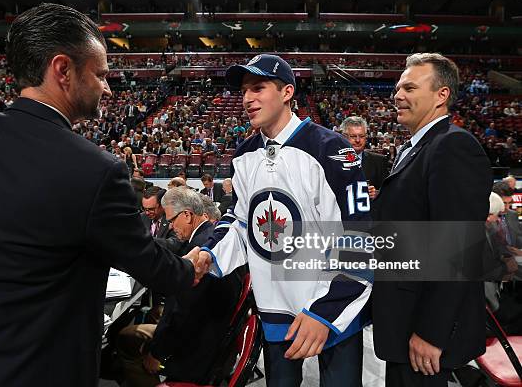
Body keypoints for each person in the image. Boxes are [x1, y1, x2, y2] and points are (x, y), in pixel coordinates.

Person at [0, 3, 197, 386]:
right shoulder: (95, 169)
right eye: (101, 74)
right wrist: (190, 267)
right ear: (63, 69)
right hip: (24, 371)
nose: (107, 87)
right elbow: (151, 265)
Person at [190, 54, 372, 387]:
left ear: (287, 92)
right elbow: (241, 221)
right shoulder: (244, 155)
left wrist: (327, 311)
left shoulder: (331, 149)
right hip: (275, 312)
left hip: (331, 310)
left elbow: (359, 236)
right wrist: (209, 253)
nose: (247, 99)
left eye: (258, 87)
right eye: (244, 91)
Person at [371, 53, 492, 386]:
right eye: (397, 87)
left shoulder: (452, 146)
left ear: (442, 96)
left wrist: (431, 332)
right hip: (403, 323)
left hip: (422, 336)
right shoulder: (415, 148)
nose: (397, 95)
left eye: (409, 87)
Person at [118, 188, 242, 386]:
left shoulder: (201, 251)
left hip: (196, 350)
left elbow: (182, 312)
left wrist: (157, 353)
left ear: (187, 215)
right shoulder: (206, 238)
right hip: (207, 333)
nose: (170, 226)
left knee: (128, 341)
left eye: (172, 220)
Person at [341, 116, 389, 200]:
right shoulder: (332, 162)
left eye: (362, 136)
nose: (358, 140)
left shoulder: (379, 161)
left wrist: (378, 194)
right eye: (353, 136)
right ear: (344, 137)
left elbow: (389, 192)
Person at [141, 186, 184, 254]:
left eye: (151, 209)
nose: (147, 212)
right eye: (144, 209)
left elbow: (175, 244)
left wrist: (148, 241)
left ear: (163, 205)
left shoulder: (175, 217)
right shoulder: (141, 217)